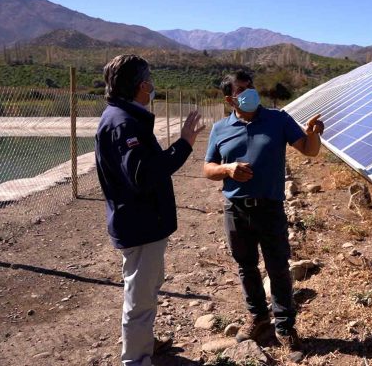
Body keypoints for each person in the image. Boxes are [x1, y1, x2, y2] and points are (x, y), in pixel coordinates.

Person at [203, 70, 324, 358]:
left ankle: (285, 327)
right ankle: (258, 318)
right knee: (246, 267)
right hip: (236, 209)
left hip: (270, 208)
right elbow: (208, 168)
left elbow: (309, 150)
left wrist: (314, 135)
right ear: (230, 99)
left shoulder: (278, 119)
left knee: (278, 267)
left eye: (251, 87)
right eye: (242, 89)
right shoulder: (220, 129)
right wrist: (227, 170)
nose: (249, 93)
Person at [95, 54, 203, 366]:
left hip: (142, 222)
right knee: (140, 299)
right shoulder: (125, 123)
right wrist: (184, 143)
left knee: (148, 285)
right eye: (150, 82)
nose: (153, 88)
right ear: (143, 86)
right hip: (140, 224)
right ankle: (136, 360)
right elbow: (144, 175)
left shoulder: (120, 117)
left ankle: (144, 344)